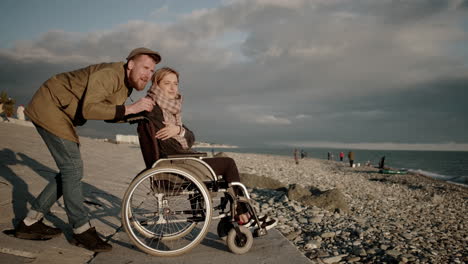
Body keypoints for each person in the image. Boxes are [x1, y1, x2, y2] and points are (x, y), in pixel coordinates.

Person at [14, 47, 161, 252]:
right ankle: (81, 229)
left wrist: (136, 116)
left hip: (61, 112)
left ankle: (30, 223)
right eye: (145, 67)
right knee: (73, 169)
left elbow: (110, 113)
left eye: (152, 71)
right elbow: (89, 109)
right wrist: (131, 108)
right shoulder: (109, 75)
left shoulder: (125, 85)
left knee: (68, 171)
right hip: (50, 106)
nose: (148, 74)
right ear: (130, 65)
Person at [137, 67, 276, 230]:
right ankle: (243, 214)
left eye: (175, 83)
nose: (173, 88)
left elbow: (190, 137)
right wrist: (185, 138)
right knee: (228, 163)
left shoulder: (170, 110)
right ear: (156, 85)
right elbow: (172, 145)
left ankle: (238, 212)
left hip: (177, 162)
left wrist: (178, 130)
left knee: (223, 166)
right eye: (167, 83)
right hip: (174, 165)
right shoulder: (154, 109)